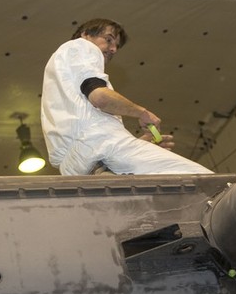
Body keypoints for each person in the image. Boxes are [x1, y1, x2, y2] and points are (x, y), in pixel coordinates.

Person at [41, 18, 214, 176]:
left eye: (116, 45)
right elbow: (99, 97)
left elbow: (86, 130)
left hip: (77, 167)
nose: (113, 49)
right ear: (85, 35)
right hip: (102, 146)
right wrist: (142, 113)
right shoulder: (82, 46)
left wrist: (141, 143)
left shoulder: (60, 72)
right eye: (108, 39)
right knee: (207, 182)